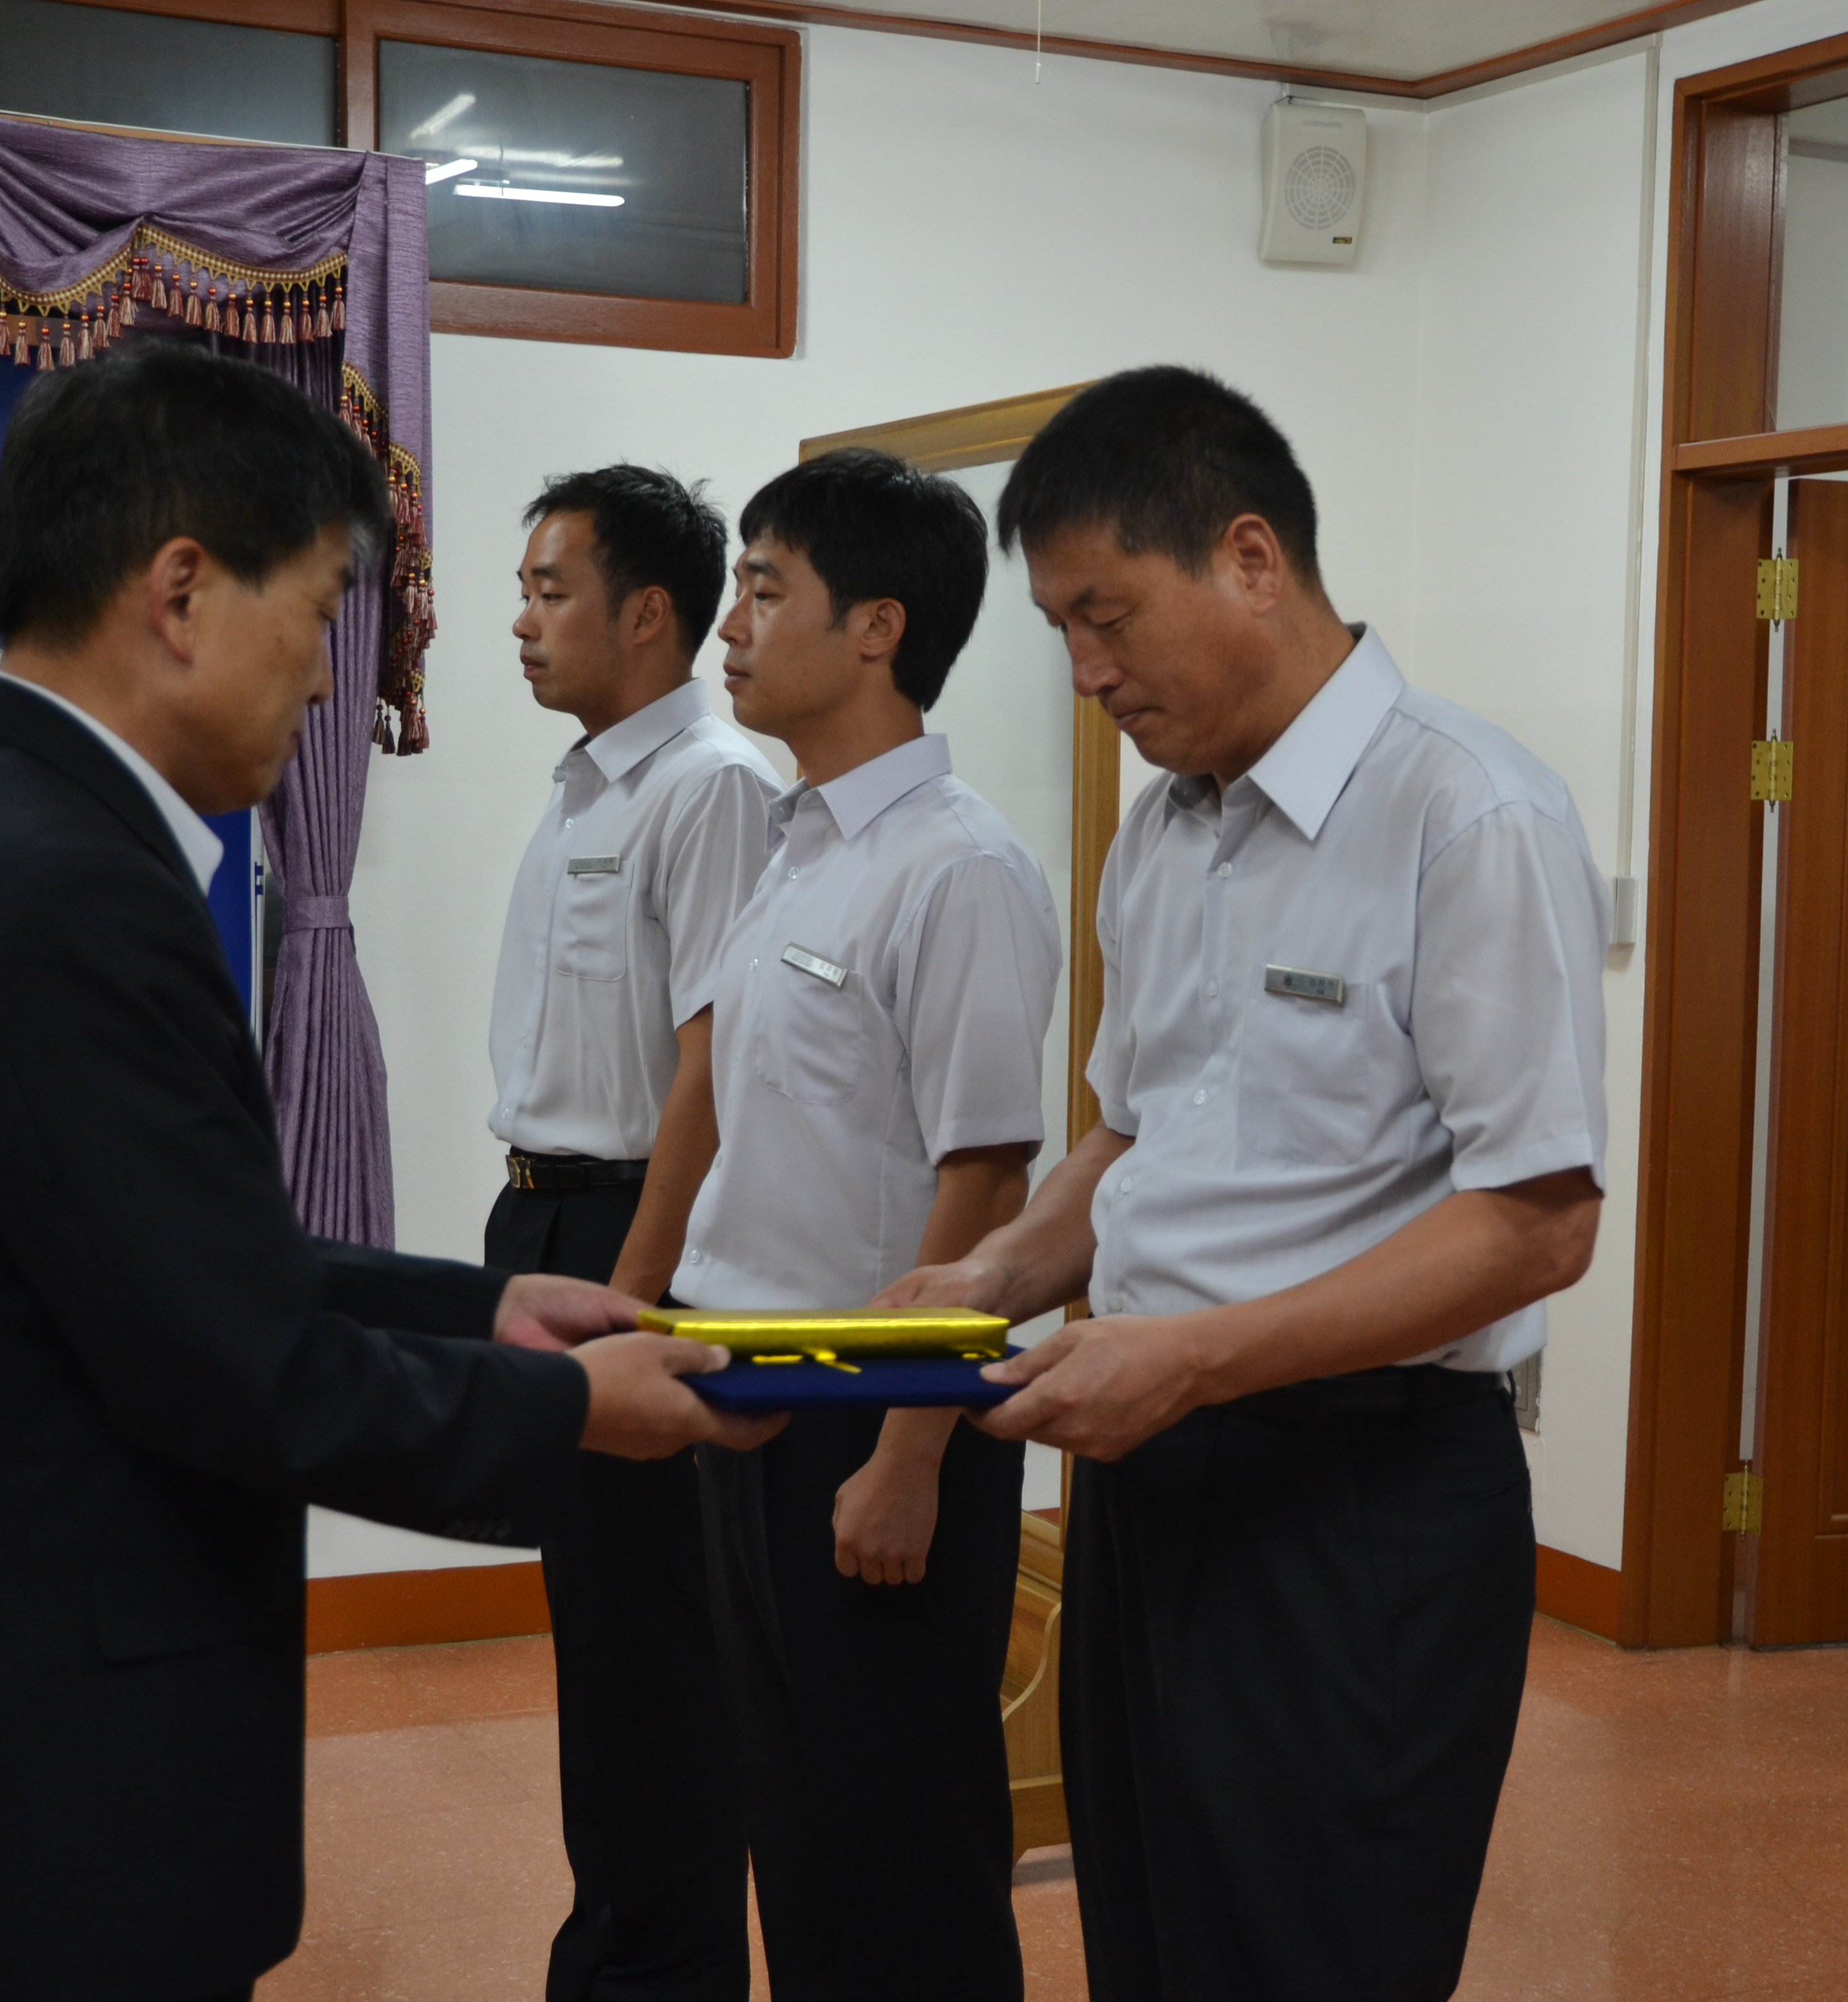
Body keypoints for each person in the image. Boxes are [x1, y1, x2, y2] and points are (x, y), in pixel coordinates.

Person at [0, 342, 782, 2002]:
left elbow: (170, 1260)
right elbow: (238, 1361)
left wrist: (485, 1311)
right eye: (316, 617)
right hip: (31, 1793)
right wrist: (565, 1408)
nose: (325, 684)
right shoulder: (70, 888)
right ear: (183, 593)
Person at [878, 367, 1610, 2002]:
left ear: (1252, 559)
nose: (1088, 673)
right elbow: (1133, 1136)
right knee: (1152, 1943)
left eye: (1108, 617)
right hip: (1153, 1473)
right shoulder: (1165, 835)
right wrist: (995, 1278)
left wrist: (1194, 1359)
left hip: (1356, 1498)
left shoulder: (1465, 813)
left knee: (1307, 1955)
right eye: (1062, 631)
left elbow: (1539, 1222)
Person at [682, 448, 1061, 2001]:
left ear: (877, 629)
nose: (731, 627)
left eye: (766, 591)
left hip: (874, 1406)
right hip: (752, 1390)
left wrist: (909, 1455)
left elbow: (988, 1181)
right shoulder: (798, 850)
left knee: (903, 1843)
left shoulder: (959, 869)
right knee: (799, 1831)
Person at [484, 465, 777, 2002]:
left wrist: (638, 1294)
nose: (521, 622)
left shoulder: (709, 786)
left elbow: (712, 1067)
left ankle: (656, 1968)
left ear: (648, 613)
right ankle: (613, 1955)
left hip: (624, 1236)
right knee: (598, 1642)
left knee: (653, 1658)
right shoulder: (589, 780)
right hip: (543, 1214)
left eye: (552, 591)